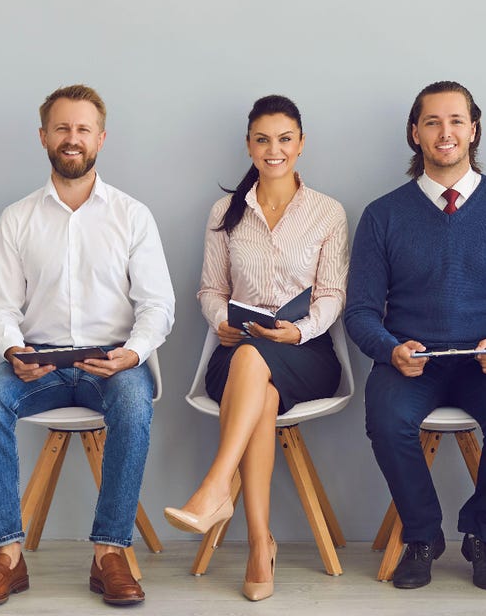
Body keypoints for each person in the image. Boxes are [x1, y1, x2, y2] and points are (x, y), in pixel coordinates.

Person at [0, 84, 175, 607]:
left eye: (83, 129)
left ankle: (109, 554)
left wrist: (135, 352)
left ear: (101, 138)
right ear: (43, 137)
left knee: (132, 401)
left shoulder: (132, 216)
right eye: (62, 128)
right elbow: (0, 307)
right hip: (41, 362)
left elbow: (157, 305)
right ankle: (7, 557)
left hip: (113, 360)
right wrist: (15, 351)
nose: (72, 138)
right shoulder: (17, 218)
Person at [346, 80, 486, 591]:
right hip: (409, 362)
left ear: (474, 130)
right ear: (414, 134)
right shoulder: (383, 215)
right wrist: (389, 349)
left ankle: (485, 535)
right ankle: (421, 535)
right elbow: (359, 312)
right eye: (433, 122)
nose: (446, 133)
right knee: (386, 420)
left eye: (456, 121)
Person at [164, 95, 348, 602]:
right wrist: (222, 320)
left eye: (285, 139)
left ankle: (216, 487)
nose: (274, 150)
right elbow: (209, 290)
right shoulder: (226, 212)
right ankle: (258, 545)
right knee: (256, 383)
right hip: (239, 348)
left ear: (301, 144)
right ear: (249, 145)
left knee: (257, 364)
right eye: (263, 139)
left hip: (306, 353)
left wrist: (299, 331)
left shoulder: (327, 212)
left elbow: (332, 294)